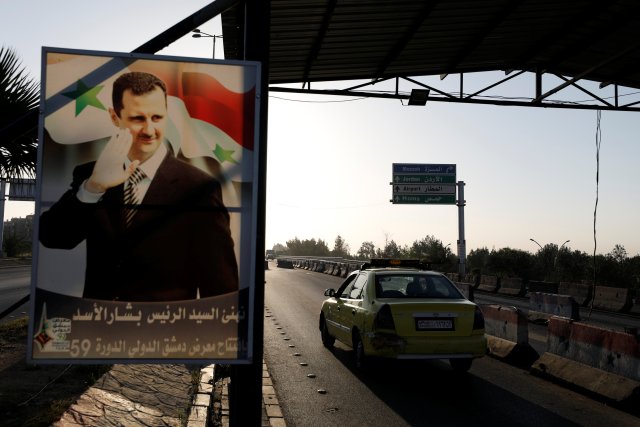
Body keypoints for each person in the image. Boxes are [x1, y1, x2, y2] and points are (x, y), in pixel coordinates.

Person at [39, 71, 238, 302]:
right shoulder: (89, 175)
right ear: (115, 117)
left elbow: (221, 288)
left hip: (167, 333)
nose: (149, 130)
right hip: (97, 330)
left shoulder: (200, 187)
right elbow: (52, 237)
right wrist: (93, 187)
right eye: (137, 119)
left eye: (157, 117)